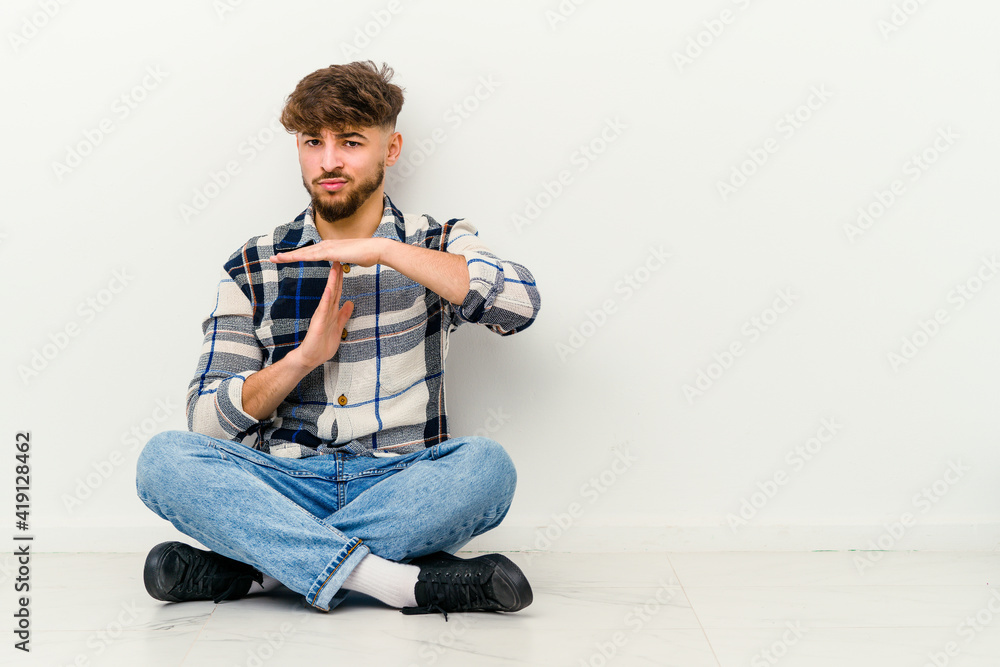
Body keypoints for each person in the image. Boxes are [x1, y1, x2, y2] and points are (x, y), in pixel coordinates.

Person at [135, 61, 541, 617]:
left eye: (350, 141)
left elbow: (519, 306)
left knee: (487, 469)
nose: (328, 161)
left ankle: (261, 573)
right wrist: (302, 359)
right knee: (164, 461)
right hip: (285, 481)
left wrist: (385, 251)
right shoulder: (256, 263)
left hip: (399, 482)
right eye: (312, 142)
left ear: (390, 148)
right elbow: (206, 423)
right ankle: (399, 584)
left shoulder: (436, 242)